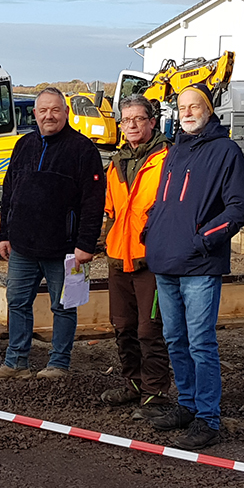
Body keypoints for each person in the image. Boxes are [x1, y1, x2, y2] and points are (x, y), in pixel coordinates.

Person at [142, 83, 244, 450]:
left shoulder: (226, 152)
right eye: (182, 107)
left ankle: (208, 417)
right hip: (166, 261)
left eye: (195, 106)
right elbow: (163, 201)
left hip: (200, 265)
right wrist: (151, 230)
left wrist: (203, 239)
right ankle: (187, 405)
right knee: (175, 339)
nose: (187, 112)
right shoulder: (174, 152)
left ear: (209, 109)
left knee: (201, 343)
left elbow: (238, 208)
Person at [0, 87, 106, 380]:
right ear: (35, 114)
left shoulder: (82, 150)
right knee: (17, 301)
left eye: (55, 110)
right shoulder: (24, 145)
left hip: (64, 248)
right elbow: (9, 192)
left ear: (65, 113)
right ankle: (16, 362)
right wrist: (4, 234)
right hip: (23, 245)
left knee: (63, 306)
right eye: (43, 110)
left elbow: (93, 201)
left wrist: (86, 243)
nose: (49, 116)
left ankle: (59, 364)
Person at [99, 94, 173, 419]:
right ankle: (134, 384)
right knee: (123, 326)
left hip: (151, 261)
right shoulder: (115, 164)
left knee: (150, 329)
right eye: (126, 119)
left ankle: (156, 394)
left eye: (138, 119)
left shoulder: (168, 159)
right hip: (118, 257)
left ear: (152, 122)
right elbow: (111, 212)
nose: (131, 125)